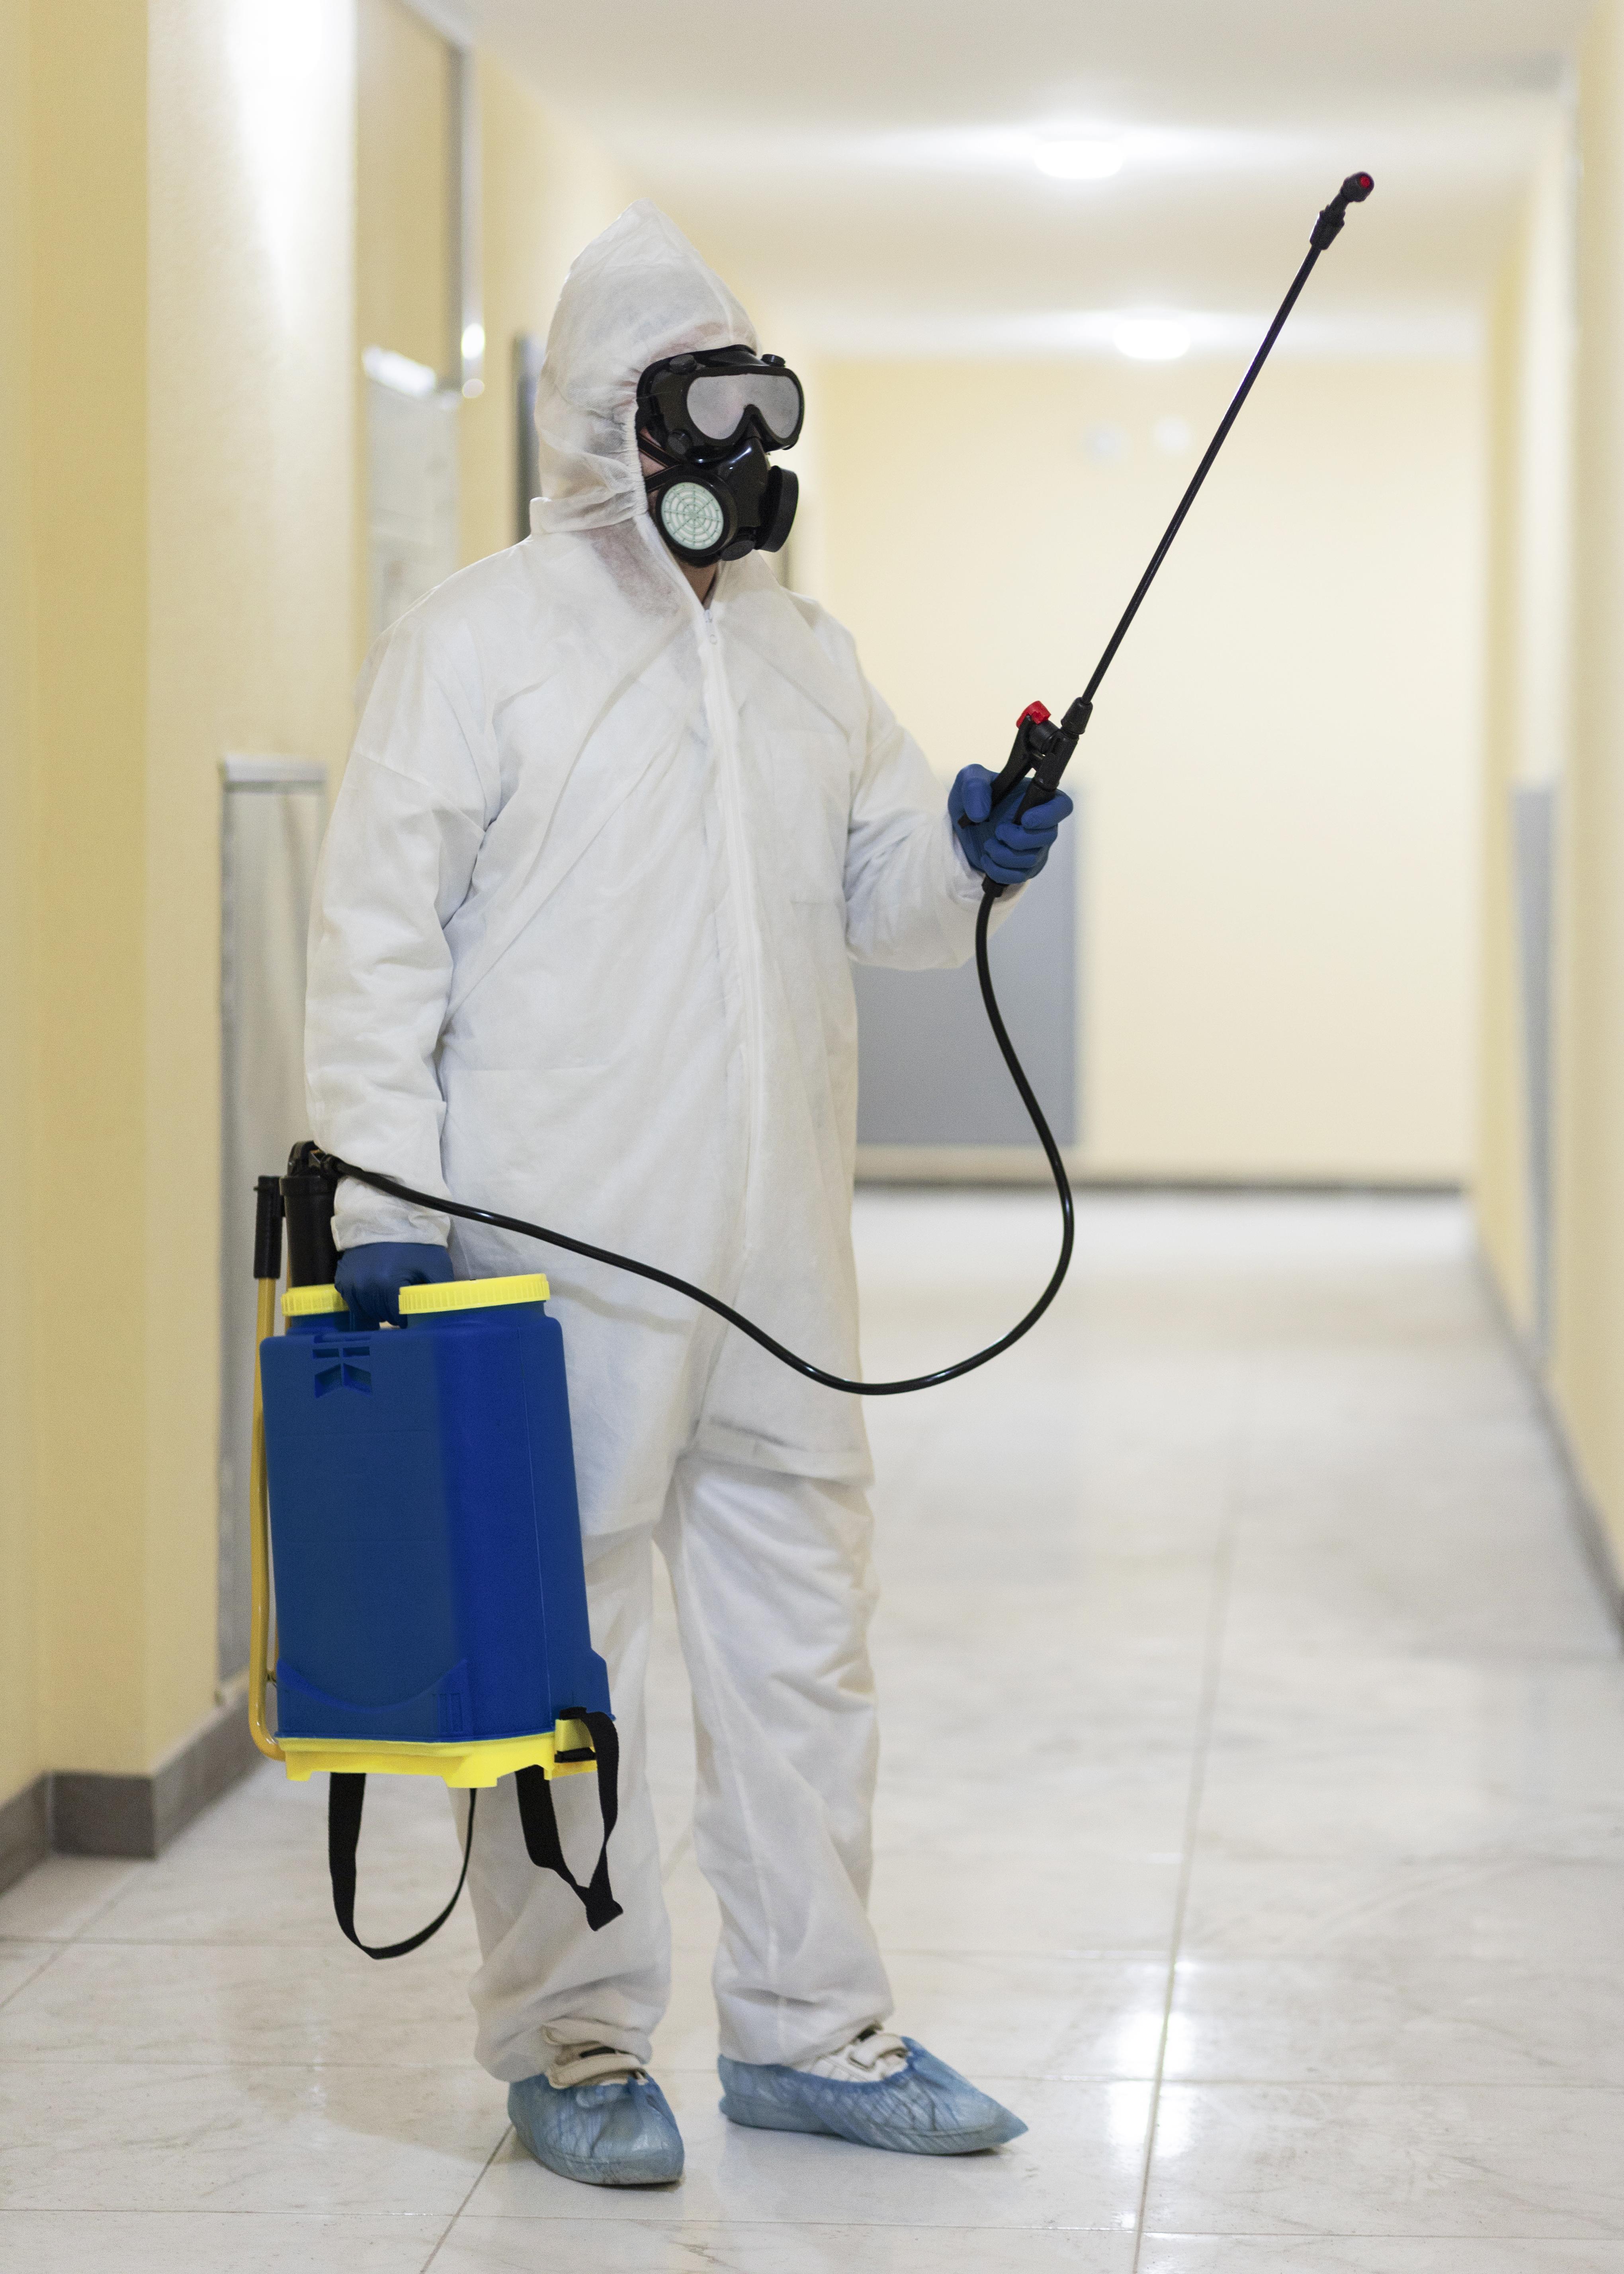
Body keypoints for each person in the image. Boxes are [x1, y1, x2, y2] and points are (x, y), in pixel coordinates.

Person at [305, 201, 1071, 2188]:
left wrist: (974, 848)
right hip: (550, 1265)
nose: (733, 457)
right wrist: (383, 1209)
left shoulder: (808, 656)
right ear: (602, 423)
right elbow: (376, 941)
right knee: (565, 1668)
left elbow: (887, 893)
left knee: (806, 1649)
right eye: (692, 409)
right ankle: (573, 2041)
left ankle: (816, 2031)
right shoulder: (478, 645)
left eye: (754, 409)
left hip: (779, 1267)